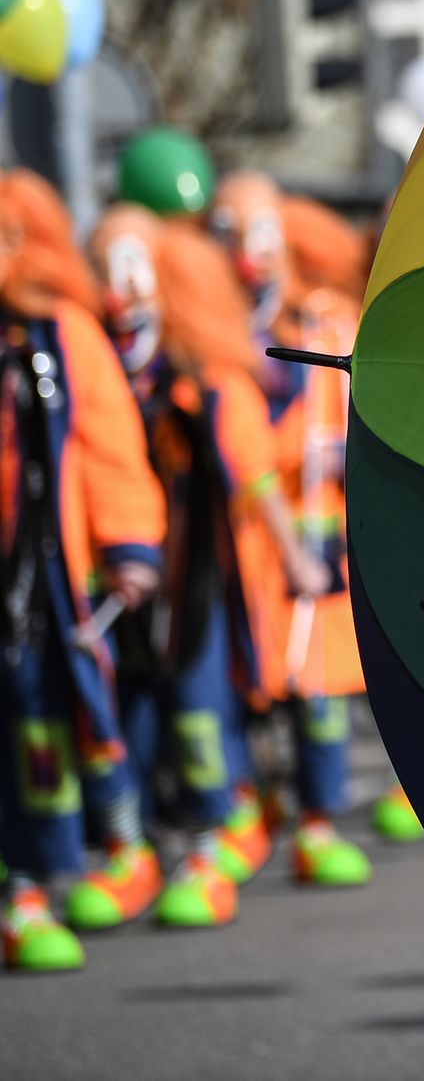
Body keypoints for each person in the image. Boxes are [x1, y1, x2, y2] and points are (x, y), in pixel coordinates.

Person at [86, 208, 329, 928]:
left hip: (205, 580)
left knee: (199, 708)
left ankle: (218, 831)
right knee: (125, 713)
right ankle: (131, 848)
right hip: (127, 578)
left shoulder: (211, 380)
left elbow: (251, 475)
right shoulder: (95, 369)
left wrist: (293, 559)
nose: (119, 292)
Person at [0, 173, 167, 972]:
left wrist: (131, 546)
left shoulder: (67, 334)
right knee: (25, 730)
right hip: (10, 579)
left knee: (91, 716)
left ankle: (124, 849)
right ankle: (30, 878)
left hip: (61, 575)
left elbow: (108, 447)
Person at [209, 174, 396, 876]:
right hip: (239, 542)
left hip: (317, 532)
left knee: (317, 682)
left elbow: (360, 409)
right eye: (229, 233)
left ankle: (317, 821)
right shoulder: (214, 333)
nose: (247, 252)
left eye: (258, 232)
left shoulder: (325, 320)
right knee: (240, 685)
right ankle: (248, 810)